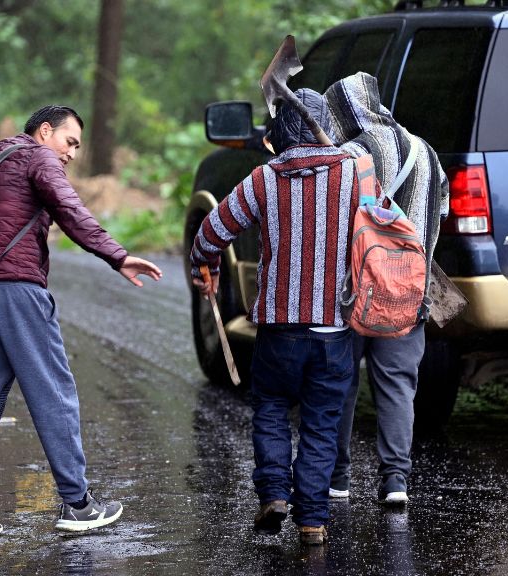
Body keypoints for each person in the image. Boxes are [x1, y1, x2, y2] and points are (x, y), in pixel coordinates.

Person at [0, 105, 163, 542]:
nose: (71, 153)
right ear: (44, 131)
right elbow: (70, 209)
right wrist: (117, 255)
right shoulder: (39, 158)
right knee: (54, 394)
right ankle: (78, 504)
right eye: (69, 141)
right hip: (18, 292)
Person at [190, 89, 369, 545]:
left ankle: (273, 493)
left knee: (270, 407)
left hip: (279, 330)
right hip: (334, 330)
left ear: (280, 130)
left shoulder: (265, 178)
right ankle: (312, 521)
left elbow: (211, 232)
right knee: (321, 422)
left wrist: (203, 268)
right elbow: (384, 229)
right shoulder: (354, 173)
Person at [324, 72, 449, 505]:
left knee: (340, 383)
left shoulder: (349, 155)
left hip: (355, 292)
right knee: (398, 386)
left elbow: (334, 220)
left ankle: (337, 478)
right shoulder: (427, 152)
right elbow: (443, 211)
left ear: (345, 112)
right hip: (410, 293)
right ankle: (395, 480)